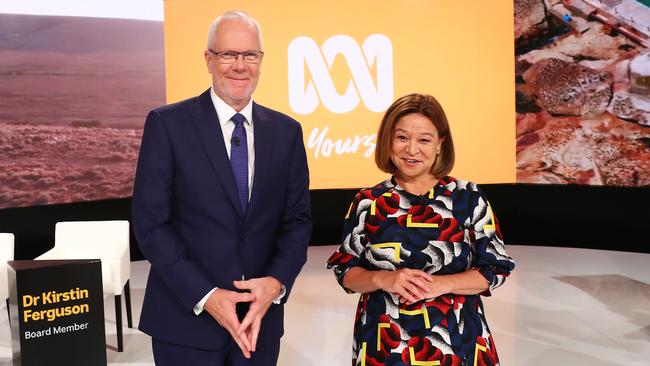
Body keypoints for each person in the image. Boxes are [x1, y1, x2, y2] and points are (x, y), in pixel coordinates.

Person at [132, 10, 312, 365]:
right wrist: (207, 295)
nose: (239, 65)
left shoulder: (286, 132)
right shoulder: (166, 125)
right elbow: (151, 224)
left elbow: (298, 222)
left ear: (261, 61)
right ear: (208, 60)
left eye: (250, 55)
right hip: (185, 323)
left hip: (258, 323)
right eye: (228, 54)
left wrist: (275, 284)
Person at [327, 93, 515, 365]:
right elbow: (345, 270)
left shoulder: (468, 197)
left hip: (458, 343)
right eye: (402, 137)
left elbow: (495, 269)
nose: (411, 150)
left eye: (424, 140)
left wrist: (441, 284)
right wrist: (384, 279)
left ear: (440, 143)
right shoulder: (368, 202)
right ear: (388, 141)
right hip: (385, 347)